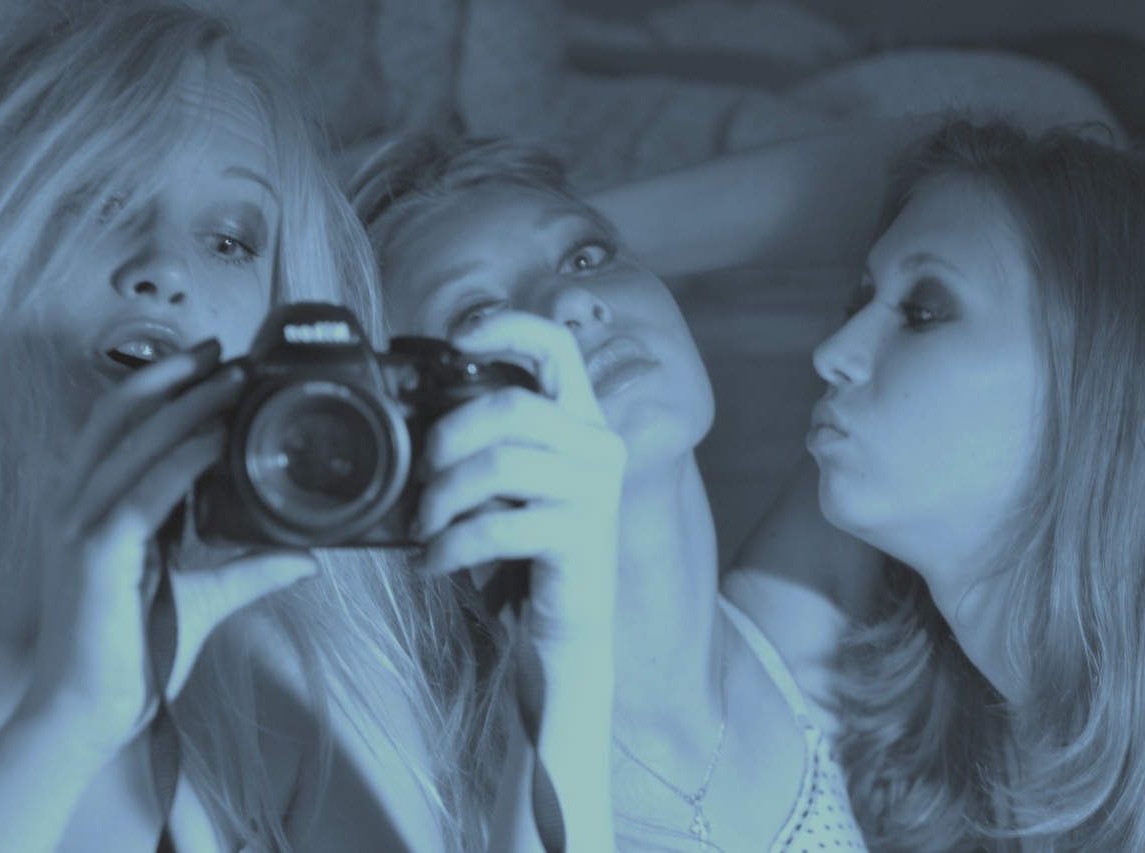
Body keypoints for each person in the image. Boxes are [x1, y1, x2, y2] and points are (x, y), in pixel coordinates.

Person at [0, 3, 616, 851]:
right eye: (97, 204)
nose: (163, 268)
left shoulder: (299, 679)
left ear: (276, 316)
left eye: (229, 240)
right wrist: (71, 722)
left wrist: (570, 659)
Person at [351, 134, 873, 851]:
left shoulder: (805, 620)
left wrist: (509, 207)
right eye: (479, 317)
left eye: (588, 257)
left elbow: (955, 193)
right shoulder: (424, 791)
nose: (573, 300)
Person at [797, 118, 1145, 851]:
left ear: (1095, 368)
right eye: (858, 303)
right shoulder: (959, 736)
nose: (832, 352)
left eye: (922, 313)